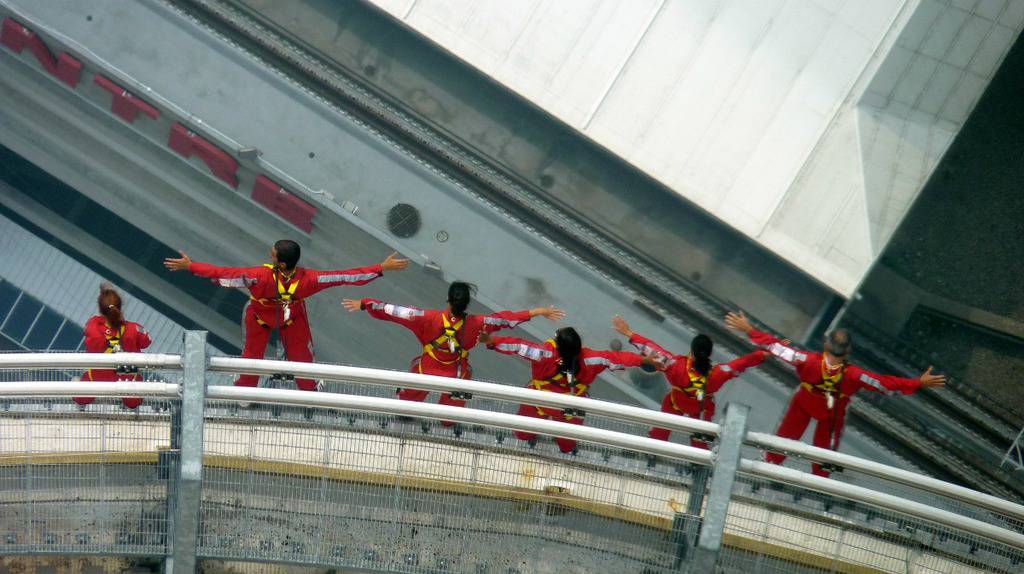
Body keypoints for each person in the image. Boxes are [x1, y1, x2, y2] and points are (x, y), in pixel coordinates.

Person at [164, 240, 408, 390]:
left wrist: (190, 266)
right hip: (293, 316)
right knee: (302, 357)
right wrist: (380, 268)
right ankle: (309, 391)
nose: (269, 255)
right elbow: (345, 276)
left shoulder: (258, 276)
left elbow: (224, 274)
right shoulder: (310, 280)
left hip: (259, 315)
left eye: (272, 254)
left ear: (280, 262)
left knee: (251, 357)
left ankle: (244, 395)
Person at [725, 311, 946, 477]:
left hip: (804, 401)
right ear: (848, 351)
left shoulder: (808, 360)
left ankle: (764, 471)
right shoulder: (855, 375)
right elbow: (884, 384)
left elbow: (779, 349)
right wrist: (918, 382)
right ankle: (820, 487)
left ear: (826, 345)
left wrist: (750, 330)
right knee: (825, 455)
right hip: (833, 411)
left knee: (784, 440)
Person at [342, 282, 564, 418]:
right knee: (455, 401)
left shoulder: (427, 318)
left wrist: (365, 302)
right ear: (467, 304)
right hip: (456, 374)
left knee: (410, 394)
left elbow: (394, 311)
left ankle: (406, 415)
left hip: (426, 370)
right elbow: (507, 319)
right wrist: (537, 311)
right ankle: (448, 421)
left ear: (448, 300)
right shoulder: (479, 323)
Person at [480, 326, 661, 454]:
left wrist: (490, 340)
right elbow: (617, 358)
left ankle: (524, 437)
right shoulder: (591, 360)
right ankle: (567, 449)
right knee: (568, 438)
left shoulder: (545, 354)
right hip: (570, 408)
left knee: (523, 429)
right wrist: (644, 360)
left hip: (538, 402)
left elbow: (518, 346)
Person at [612, 315, 768, 449]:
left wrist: (628, 332)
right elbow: (742, 362)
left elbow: (652, 349)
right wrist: (762, 354)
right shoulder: (719, 373)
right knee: (701, 437)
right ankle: (698, 461)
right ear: (709, 354)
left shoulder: (675, 366)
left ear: (691, 351)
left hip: (676, 402)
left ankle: (653, 449)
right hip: (701, 408)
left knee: (662, 428)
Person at [74, 283, 150, 409]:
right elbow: (147, 342)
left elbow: (88, 332)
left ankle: (80, 396)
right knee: (133, 402)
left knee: (80, 399)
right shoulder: (134, 329)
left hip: (98, 377)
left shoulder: (93, 327)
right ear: (120, 307)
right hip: (126, 375)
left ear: (100, 310)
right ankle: (129, 405)